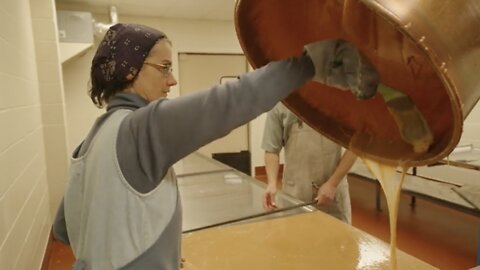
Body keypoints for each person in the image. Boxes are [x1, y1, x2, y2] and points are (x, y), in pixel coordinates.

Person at [52, 23, 379, 270]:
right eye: (164, 68)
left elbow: (64, 229)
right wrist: (312, 64)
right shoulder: (140, 128)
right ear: (129, 70)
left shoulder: (90, 142)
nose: (172, 80)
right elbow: (232, 101)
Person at [261, 102, 357, 224]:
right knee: (298, 241)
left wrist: (333, 184)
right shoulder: (280, 102)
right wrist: (271, 183)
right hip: (295, 195)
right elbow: (271, 149)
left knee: (338, 241)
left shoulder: (337, 99)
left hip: (333, 197)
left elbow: (355, 146)